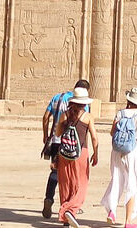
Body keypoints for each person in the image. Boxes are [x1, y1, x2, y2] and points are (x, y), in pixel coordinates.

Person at [101, 87, 137, 228]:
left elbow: (112, 132)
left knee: (117, 180)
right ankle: (128, 220)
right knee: (133, 184)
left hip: (117, 151)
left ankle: (112, 211)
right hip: (133, 152)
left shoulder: (120, 114)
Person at [41, 79, 90, 219]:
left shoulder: (57, 97)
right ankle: (70, 206)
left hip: (57, 141)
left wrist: (45, 135)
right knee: (72, 177)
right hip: (74, 145)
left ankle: (49, 198)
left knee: (55, 172)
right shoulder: (82, 104)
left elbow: (45, 117)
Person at [55, 87, 98, 228]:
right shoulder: (87, 117)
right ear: (84, 103)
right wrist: (96, 153)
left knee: (65, 184)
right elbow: (94, 137)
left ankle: (65, 218)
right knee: (81, 184)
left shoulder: (64, 115)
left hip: (64, 153)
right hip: (81, 153)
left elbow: (58, 133)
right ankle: (71, 210)